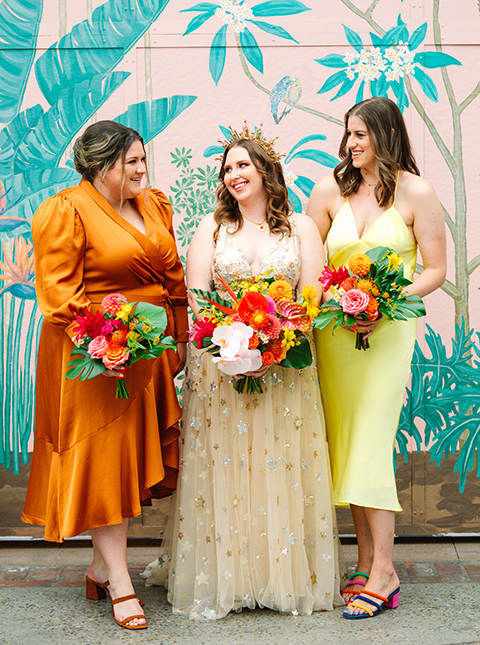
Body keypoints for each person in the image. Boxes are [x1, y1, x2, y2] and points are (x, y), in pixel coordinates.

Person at [143, 123, 345, 620]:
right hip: (221, 370)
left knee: (280, 462)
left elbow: (311, 298)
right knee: (228, 464)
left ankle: (281, 578)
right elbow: (198, 302)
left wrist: (278, 342)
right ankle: (227, 578)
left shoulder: (299, 228)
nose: (234, 175)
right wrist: (225, 350)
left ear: (265, 170)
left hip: (286, 369)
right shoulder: (210, 231)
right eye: (227, 168)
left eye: (242, 165)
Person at [21, 121, 188, 630]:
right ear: (100, 166)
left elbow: (173, 275)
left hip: (148, 352)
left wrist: (178, 338)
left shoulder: (155, 205)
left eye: (142, 159)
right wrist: (101, 343)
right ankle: (119, 580)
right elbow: (58, 295)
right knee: (102, 465)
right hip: (93, 357)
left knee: (128, 464)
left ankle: (99, 567)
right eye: (131, 162)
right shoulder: (65, 211)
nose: (142, 169)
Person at [306, 97, 446, 619]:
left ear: (387, 135)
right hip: (337, 337)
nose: (351, 144)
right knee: (347, 443)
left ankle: (384, 570)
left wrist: (388, 301)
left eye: (361, 134)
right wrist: (330, 301)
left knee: (370, 441)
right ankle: (365, 562)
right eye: (348, 135)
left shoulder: (417, 192)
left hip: (389, 334)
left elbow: (435, 267)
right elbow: (311, 262)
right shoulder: (328, 190)